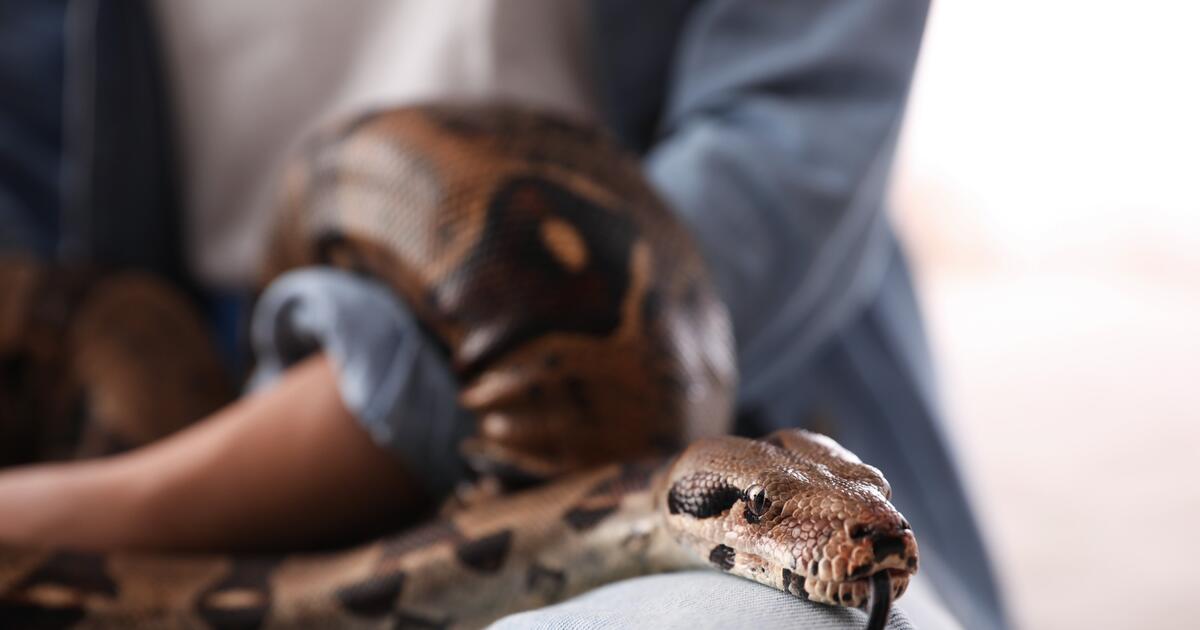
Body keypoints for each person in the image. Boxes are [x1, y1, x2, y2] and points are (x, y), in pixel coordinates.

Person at [0, 1, 1005, 628]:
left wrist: (117, 509)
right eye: (766, 515)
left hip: (725, 370)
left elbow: (792, 147)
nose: (853, 534)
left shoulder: (730, 480)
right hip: (183, 372)